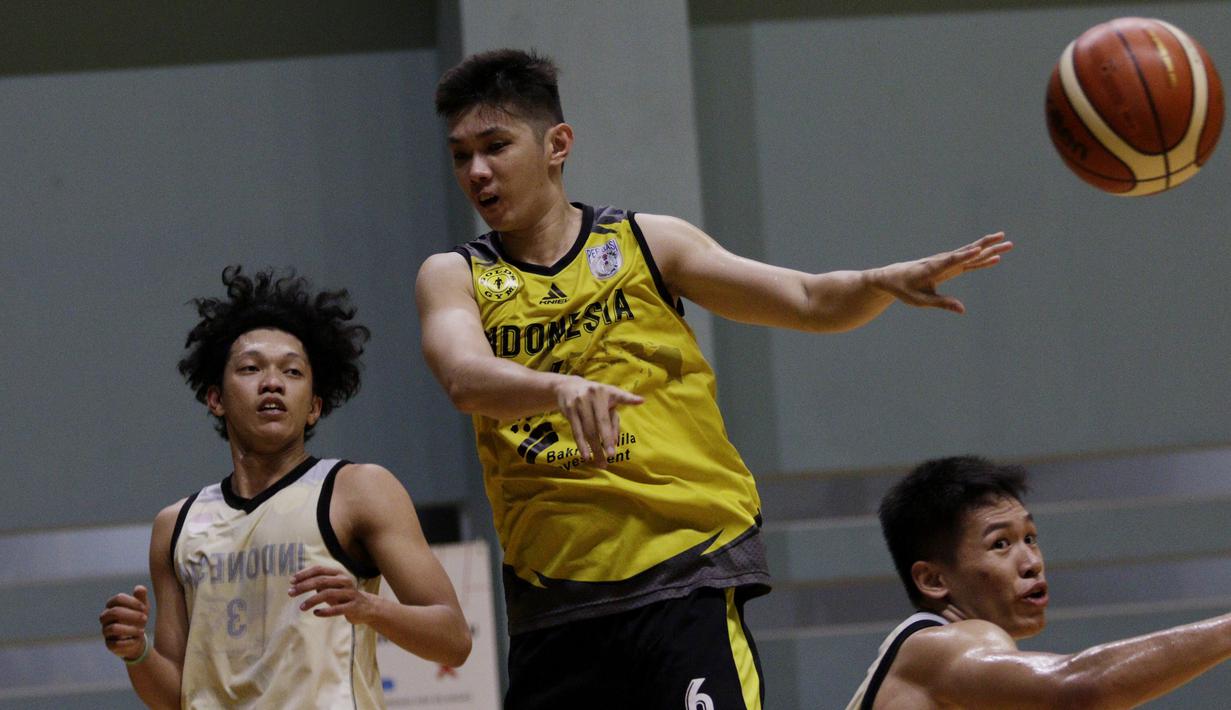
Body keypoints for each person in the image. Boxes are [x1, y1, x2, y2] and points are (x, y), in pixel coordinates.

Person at [416, 48, 1011, 710]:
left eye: (495, 146)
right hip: (556, 601)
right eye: (461, 155)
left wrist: (879, 282)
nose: (476, 171)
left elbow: (807, 300)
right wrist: (557, 388)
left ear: (557, 145)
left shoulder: (648, 244)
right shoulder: (455, 274)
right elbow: (463, 377)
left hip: (684, 574)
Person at [99, 266, 471, 709]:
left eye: (292, 371)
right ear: (215, 398)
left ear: (314, 406)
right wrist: (137, 651)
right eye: (251, 368)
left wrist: (368, 608)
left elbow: (454, 639)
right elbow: (178, 697)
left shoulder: (358, 491)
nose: (272, 382)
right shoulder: (175, 525)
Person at [849, 455, 1231, 709]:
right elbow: (1079, 687)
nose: (1032, 563)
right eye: (1000, 544)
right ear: (933, 579)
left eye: (1030, 538)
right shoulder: (941, 646)